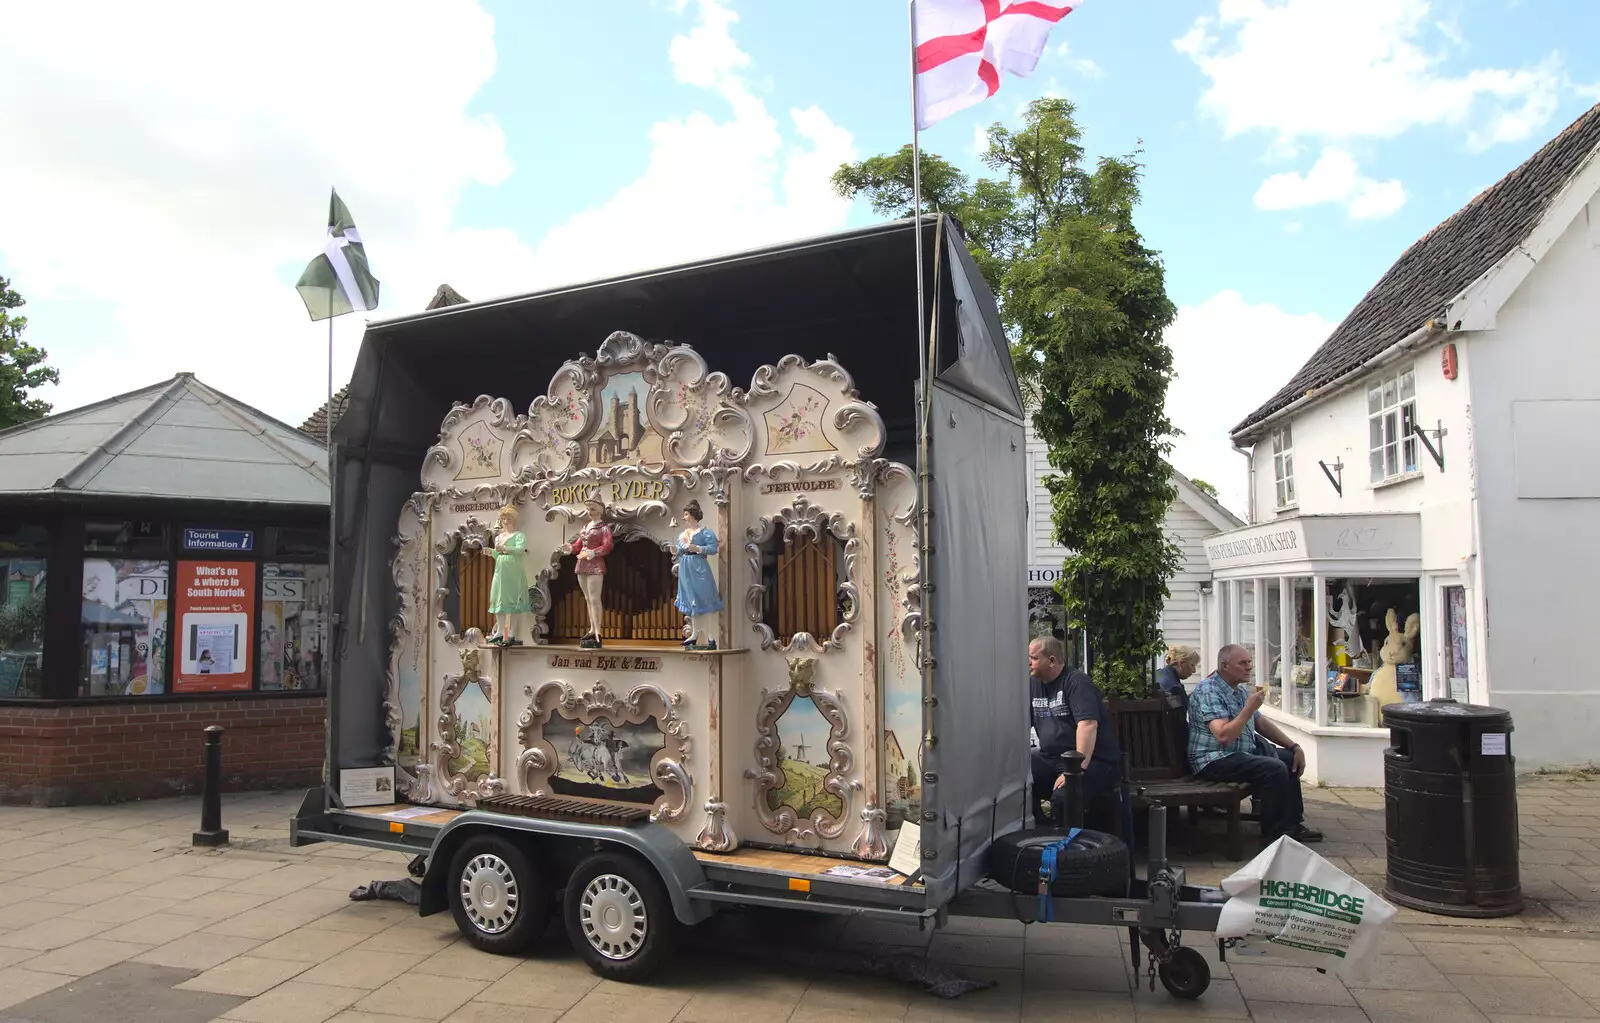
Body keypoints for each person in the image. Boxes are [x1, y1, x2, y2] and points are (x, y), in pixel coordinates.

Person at [1188, 644, 1323, 847]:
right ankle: (1278, 834)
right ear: (1224, 666)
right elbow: (1224, 735)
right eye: (1243, 663)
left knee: (1288, 758)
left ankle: (1293, 824)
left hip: (1237, 754)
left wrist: (1294, 746)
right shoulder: (1209, 691)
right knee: (1273, 768)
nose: (1249, 667)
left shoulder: (1238, 691)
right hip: (1213, 759)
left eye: (1249, 662)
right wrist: (1248, 710)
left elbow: (1260, 723)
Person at [1027, 636, 1122, 830]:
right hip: (1051, 758)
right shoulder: (1033, 684)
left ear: (1052, 660)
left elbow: (1087, 725)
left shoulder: (1076, 682)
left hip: (1092, 761)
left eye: (1034, 658)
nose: (1029, 662)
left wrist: (1076, 770)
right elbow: (1019, 724)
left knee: (1064, 799)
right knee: (1017, 778)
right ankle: (1041, 830)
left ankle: (1070, 850)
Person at [563, 497, 614, 649]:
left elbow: (607, 546)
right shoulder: (585, 527)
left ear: (599, 510)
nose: (589, 512)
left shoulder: (603, 528)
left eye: (592, 509)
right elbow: (579, 545)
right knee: (587, 599)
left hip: (595, 564)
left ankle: (598, 632)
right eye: (588, 509)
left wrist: (592, 553)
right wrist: (570, 548)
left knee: (594, 598)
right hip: (582, 564)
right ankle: (592, 629)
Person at [674, 500, 722, 649]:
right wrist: (675, 550)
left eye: (686, 514)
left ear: (693, 515)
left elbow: (713, 548)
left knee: (705, 600)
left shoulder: (705, 532)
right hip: (685, 567)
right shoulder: (683, 534)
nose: (684, 517)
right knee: (691, 600)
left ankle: (711, 638)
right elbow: (681, 550)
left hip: (699, 566)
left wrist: (698, 548)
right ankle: (694, 635)